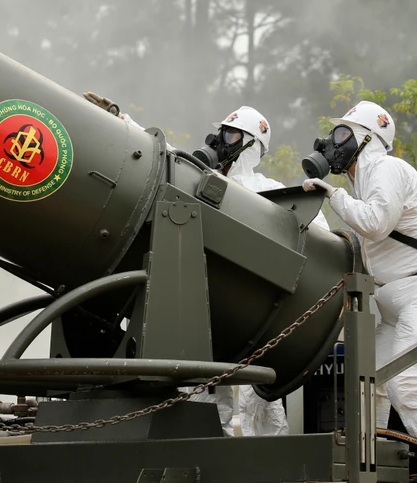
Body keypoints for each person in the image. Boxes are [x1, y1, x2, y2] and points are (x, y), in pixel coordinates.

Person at [83, 92, 330, 437]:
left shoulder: (270, 193)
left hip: (248, 312)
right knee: (200, 397)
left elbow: (317, 237)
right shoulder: (199, 180)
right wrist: (118, 118)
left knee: (256, 403)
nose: (219, 141)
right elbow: (162, 160)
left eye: (230, 135)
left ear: (250, 145)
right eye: (221, 133)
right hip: (203, 304)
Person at [300, 100, 417, 481]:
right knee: (370, 379)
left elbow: (375, 224)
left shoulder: (387, 168)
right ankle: (370, 456)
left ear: (367, 138)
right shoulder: (365, 181)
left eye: (342, 134)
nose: (333, 142)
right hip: (399, 300)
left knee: (407, 379)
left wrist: (332, 195)